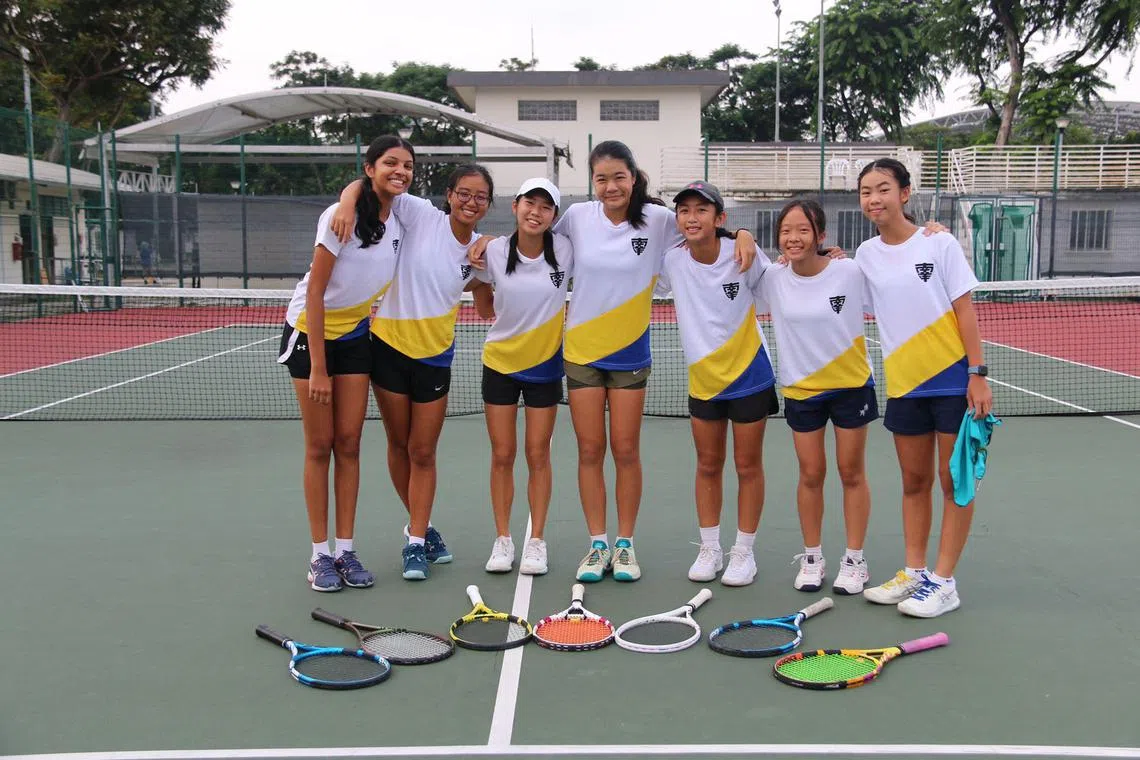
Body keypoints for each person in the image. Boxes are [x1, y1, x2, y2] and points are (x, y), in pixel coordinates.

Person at [471, 141, 758, 583]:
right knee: (590, 450)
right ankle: (597, 543)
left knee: (625, 451)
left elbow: (703, 229)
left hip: (631, 356)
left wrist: (741, 233)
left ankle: (624, 545)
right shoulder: (578, 219)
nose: (610, 187)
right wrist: (489, 242)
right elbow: (534, 234)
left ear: (633, 177)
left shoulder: (660, 219)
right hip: (582, 354)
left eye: (618, 177)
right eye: (601, 179)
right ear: (592, 182)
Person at [332, 164, 494, 581]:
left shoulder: (482, 252)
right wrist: (348, 204)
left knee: (423, 451)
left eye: (480, 197)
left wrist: (491, 265)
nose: (471, 202)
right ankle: (419, 535)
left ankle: (417, 534)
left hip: (436, 357)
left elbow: (485, 302)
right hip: (386, 348)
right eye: (464, 193)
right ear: (450, 194)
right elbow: (371, 183)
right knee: (398, 444)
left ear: (489, 204)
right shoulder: (422, 216)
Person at [854, 157, 992, 618]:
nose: (874, 199)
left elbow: (965, 310)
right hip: (905, 386)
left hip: (953, 380)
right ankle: (915, 572)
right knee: (914, 482)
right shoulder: (865, 256)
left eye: (883, 189)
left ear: (905, 193)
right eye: (866, 191)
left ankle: (944, 581)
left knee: (954, 481)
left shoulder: (940, 243)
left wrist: (978, 373)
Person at [277, 135, 414, 592]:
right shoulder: (339, 219)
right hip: (310, 336)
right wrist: (318, 366)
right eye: (390, 162)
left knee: (350, 444)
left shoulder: (399, 219)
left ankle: (346, 550)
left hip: (356, 335)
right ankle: (319, 556)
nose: (400, 170)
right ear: (370, 167)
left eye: (408, 165)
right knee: (320, 446)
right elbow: (315, 292)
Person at [657, 181, 776, 587]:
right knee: (708, 465)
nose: (692, 217)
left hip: (750, 375)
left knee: (747, 465)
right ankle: (710, 547)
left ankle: (744, 551)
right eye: (684, 211)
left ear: (719, 218)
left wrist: (746, 236)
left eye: (702, 210)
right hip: (704, 380)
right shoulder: (672, 261)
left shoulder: (742, 252)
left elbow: (780, 285)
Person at [760, 200, 877, 595]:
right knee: (810, 474)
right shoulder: (772, 279)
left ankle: (855, 559)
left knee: (851, 472)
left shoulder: (849, 271)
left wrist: (933, 233)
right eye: (786, 230)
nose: (793, 238)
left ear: (821, 236)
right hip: (801, 390)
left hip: (851, 386)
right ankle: (812, 556)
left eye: (803, 230)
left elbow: (896, 266)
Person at [473, 178, 573, 576]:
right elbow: (482, 304)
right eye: (529, 203)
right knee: (502, 454)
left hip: (545, 366)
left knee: (537, 454)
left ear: (554, 216)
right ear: (515, 206)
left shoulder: (565, 250)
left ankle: (536, 541)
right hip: (499, 363)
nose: (536, 212)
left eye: (545, 207)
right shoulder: (494, 252)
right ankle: (503, 540)